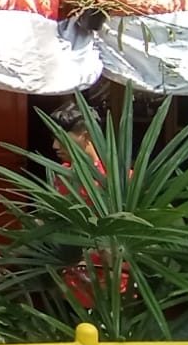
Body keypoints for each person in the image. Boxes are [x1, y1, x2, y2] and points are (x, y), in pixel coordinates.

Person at [51, 101, 129, 309]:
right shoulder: (63, 175)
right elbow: (53, 223)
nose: (55, 146)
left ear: (86, 136)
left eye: (61, 138)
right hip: (69, 288)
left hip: (111, 287)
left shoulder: (118, 178)